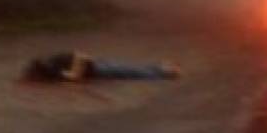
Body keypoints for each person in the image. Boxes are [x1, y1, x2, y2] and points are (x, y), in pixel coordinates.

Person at [23, 50, 181, 82]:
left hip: (99, 68)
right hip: (99, 65)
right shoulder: (54, 62)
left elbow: (79, 59)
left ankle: (167, 73)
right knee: (132, 70)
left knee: (133, 73)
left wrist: (74, 73)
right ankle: (163, 69)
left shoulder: (54, 69)